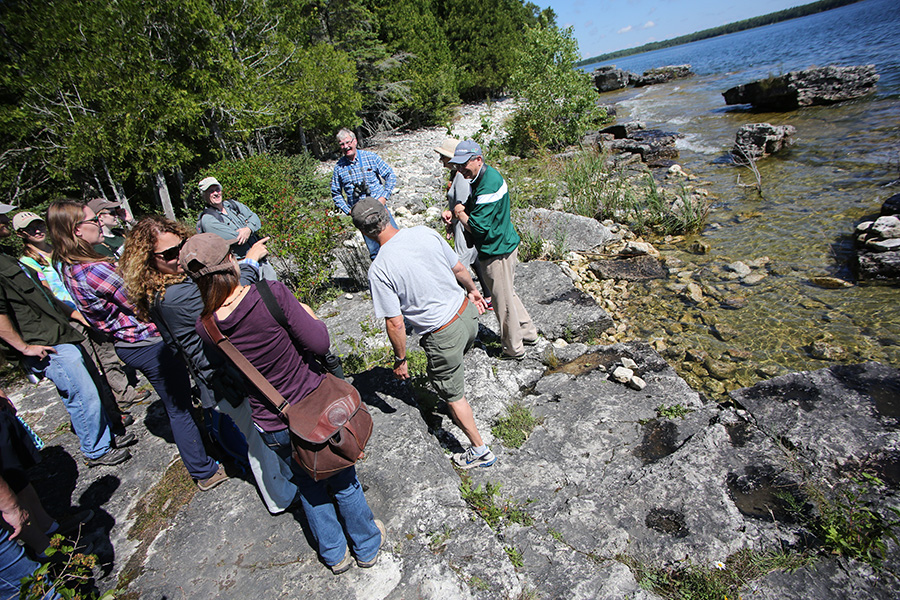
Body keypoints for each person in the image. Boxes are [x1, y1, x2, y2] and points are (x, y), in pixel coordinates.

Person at [185, 233, 384, 574]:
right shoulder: (269, 294)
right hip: (317, 407)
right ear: (232, 261)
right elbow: (319, 342)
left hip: (273, 422)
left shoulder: (206, 327)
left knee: (307, 483)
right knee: (343, 477)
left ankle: (335, 554)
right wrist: (306, 311)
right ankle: (366, 545)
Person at [118, 217, 298, 514]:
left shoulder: (160, 292)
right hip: (224, 377)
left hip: (214, 375)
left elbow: (175, 346)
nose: (179, 258)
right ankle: (281, 497)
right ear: (147, 261)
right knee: (259, 440)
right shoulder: (177, 294)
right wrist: (250, 263)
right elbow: (233, 297)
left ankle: (284, 487)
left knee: (258, 436)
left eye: (182, 248)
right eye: (168, 254)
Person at [46, 200, 226, 491]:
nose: (102, 223)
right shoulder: (95, 270)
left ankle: (208, 451)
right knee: (179, 406)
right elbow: (139, 302)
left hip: (128, 343)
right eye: (95, 220)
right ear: (78, 230)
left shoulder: (67, 266)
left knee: (180, 400)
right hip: (148, 342)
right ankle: (204, 470)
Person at [351, 198, 496, 469]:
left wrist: (401, 359)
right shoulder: (424, 232)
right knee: (451, 369)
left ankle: (480, 449)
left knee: (452, 394)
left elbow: (395, 322)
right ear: (387, 215)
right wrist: (474, 290)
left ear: (364, 232)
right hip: (467, 315)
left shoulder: (380, 268)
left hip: (442, 333)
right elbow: (459, 269)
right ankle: (453, 384)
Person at [0, 204, 131, 468]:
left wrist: (74, 317)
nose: (3, 218)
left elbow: (44, 294)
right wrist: (23, 347)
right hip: (43, 340)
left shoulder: (5, 256)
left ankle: (108, 434)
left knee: (92, 385)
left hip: (58, 330)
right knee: (81, 393)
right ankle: (96, 449)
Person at [14, 211, 148, 418]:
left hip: (88, 307)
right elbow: (49, 294)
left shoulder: (58, 252)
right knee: (89, 365)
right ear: (21, 234)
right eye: (30, 229)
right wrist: (76, 315)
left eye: (39, 225)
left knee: (108, 354)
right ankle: (110, 413)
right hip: (69, 316)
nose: (37, 231)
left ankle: (124, 392)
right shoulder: (28, 262)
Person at [450, 140, 538, 360]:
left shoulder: (488, 184)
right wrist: (460, 211)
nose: (460, 170)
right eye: (457, 166)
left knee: (501, 301)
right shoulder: (483, 177)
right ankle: (528, 332)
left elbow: (479, 228)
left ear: (478, 159)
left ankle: (513, 348)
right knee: (508, 292)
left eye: (464, 165)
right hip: (503, 245)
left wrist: (460, 214)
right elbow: (474, 205)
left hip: (496, 251)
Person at [435, 138, 491, 306]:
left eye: (443, 157)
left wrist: (454, 215)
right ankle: (487, 295)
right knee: (473, 258)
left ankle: (462, 302)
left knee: (461, 263)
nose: (441, 161)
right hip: (460, 222)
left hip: (464, 224)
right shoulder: (457, 175)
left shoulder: (461, 177)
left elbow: (463, 203)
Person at [330, 128, 399, 260]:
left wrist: (384, 197)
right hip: (361, 217)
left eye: (348, 142)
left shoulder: (370, 157)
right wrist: (349, 211)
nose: (346, 147)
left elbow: (390, 175)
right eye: (342, 144)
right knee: (375, 253)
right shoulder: (339, 168)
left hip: (380, 210)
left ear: (355, 141)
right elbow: (336, 193)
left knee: (395, 243)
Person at [196, 177, 276, 280]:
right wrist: (248, 225)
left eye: (217, 189)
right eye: (211, 191)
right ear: (204, 195)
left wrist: (248, 229)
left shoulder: (232, 205)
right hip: (241, 266)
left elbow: (255, 218)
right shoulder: (207, 219)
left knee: (275, 290)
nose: (216, 193)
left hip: (261, 260)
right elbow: (237, 238)